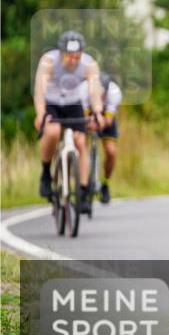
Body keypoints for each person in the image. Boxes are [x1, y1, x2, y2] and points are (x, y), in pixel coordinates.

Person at [33, 31, 105, 214]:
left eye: (76, 56)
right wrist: (41, 114)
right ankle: (46, 173)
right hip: (51, 102)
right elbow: (39, 91)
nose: (73, 61)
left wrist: (97, 112)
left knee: (80, 142)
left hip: (73, 103)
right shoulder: (48, 61)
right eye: (69, 56)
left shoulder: (89, 64)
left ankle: (82, 190)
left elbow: (94, 91)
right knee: (53, 131)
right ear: (61, 52)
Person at [78, 72, 123, 204]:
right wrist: (88, 123)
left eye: (102, 94)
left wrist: (101, 123)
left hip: (104, 114)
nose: (100, 97)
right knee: (81, 145)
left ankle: (105, 184)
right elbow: (84, 115)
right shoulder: (83, 90)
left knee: (111, 151)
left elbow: (108, 120)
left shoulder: (114, 93)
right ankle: (83, 183)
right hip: (87, 111)